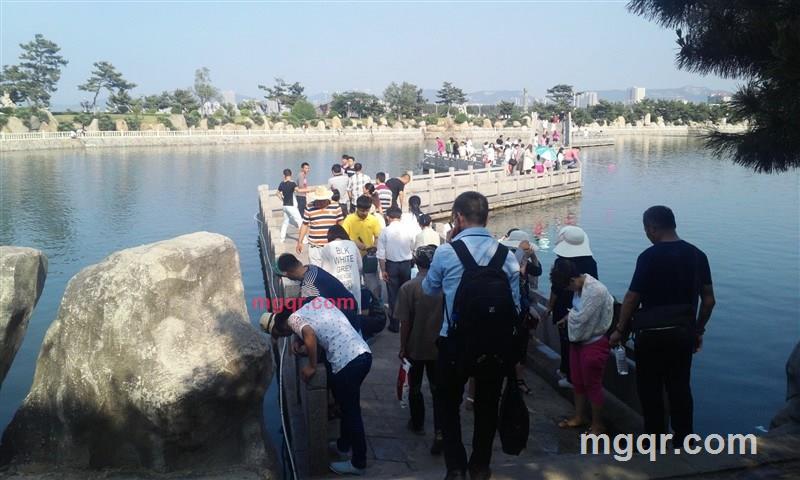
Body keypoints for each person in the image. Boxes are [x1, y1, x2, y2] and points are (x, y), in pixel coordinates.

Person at [422, 191, 520, 480]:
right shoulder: (507, 256)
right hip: (495, 345)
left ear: (458, 218)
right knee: (487, 405)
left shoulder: (446, 252)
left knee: (447, 403)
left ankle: (455, 466)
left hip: (455, 342)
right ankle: (480, 465)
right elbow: (515, 306)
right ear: (487, 218)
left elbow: (429, 289)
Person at [610, 206, 715, 447]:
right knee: (680, 387)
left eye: (647, 230)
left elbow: (632, 298)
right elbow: (709, 301)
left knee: (650, 390)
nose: (647, 235)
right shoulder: (698, 255)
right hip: (682, 334)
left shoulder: (648, 256)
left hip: (650, 335)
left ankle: (654, 443)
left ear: (652, 228)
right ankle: (684, 441)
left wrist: (619, 330)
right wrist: (698, 330)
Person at [263, 299, 372, 476]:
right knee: (347, 406)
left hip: (347, 362)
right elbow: (320, 332)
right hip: (362, 354)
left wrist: (312, 366)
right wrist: (302, 342)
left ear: (281, 326)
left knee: (351, 412)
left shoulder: (293, 319)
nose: (286, 336)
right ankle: (343, 445)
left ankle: (359, 463)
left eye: (281, 334)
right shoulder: (316, 303)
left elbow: (311, 335)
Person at [551, 259, 613, 435]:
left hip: (594, 343)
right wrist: (568, 317)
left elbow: (582, 318)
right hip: (578, 342)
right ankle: (579, 416)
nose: (568, 291)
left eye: (567, 287)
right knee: (577, 381)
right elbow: (576, 313)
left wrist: (568, 317)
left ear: (572, 280)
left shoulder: (596, 291)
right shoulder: (579, 288)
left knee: (593, 384)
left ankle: (597, 425)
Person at [395, 245, 444, 454]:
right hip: (440, 346)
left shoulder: (409, 287)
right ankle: (440, 431)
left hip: (415, 345)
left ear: (416, 262)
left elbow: (404, 322)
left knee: (414, 386)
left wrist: (402, 346)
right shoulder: (445, 286)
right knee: (438, 389)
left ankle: (417, 423)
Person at [542, 226, 598, 389]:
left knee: (566, 341)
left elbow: (555, 288)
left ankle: (568, 372)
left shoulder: (561, 262)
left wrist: (550, 306)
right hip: (583, 306)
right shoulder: (590, 262)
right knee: (578, 342)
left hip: (563, 306)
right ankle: (574, 373)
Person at [500, 229, 542, 395]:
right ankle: (514, 380)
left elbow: (537, 271)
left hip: (520, 309)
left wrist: (532, 257)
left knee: (520, 347)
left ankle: (516, 380)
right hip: (511, 309)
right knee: (514, 347)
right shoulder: (507, 262)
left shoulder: (520, 260)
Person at [277, 253, 359, 331]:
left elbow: (313, 318)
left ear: (287, 274)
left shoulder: (308, 287)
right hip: (351, 306)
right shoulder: (311, 268)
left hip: (346, 321)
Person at [377, 207, 415, 333]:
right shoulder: (408, 229)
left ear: (387, 217)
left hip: (391, 265)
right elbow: (412, 246)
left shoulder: (385, 231)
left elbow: (381, 254)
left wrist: (383, 270)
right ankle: (408, 321)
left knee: (393, 295)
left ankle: (394, 324)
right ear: (400, 217)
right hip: (406, 264)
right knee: (406, 294)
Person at [296, 186, 344, 266]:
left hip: (332, 246)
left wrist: (344, 241)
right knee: (316, 270)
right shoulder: (309, 207)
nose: (321, 202)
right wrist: (299, 242)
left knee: (332, 269)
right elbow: (305, 224)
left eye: (323, 200)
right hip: (315, 247)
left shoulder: (335, 206)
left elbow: (341, 224)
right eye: (319, 200)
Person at [322, 225, 363, 312]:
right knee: (355, 310)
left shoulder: (327, 247)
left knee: (340, 312)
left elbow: (325, 271)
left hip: (337, 286)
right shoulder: (352, 244)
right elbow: (360, 266)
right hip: (353, 283)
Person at [277, 168, 303, 242]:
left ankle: (282, 239)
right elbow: (298, 190)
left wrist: (282, 199)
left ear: (284, 175)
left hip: (285, 206)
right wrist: (310, 190)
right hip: (291, 206)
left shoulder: (282, 183)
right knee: (300, 221)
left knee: (285, 222)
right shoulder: (292, 183)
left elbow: (277, 193)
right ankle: (303, 240)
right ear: (291, 175)